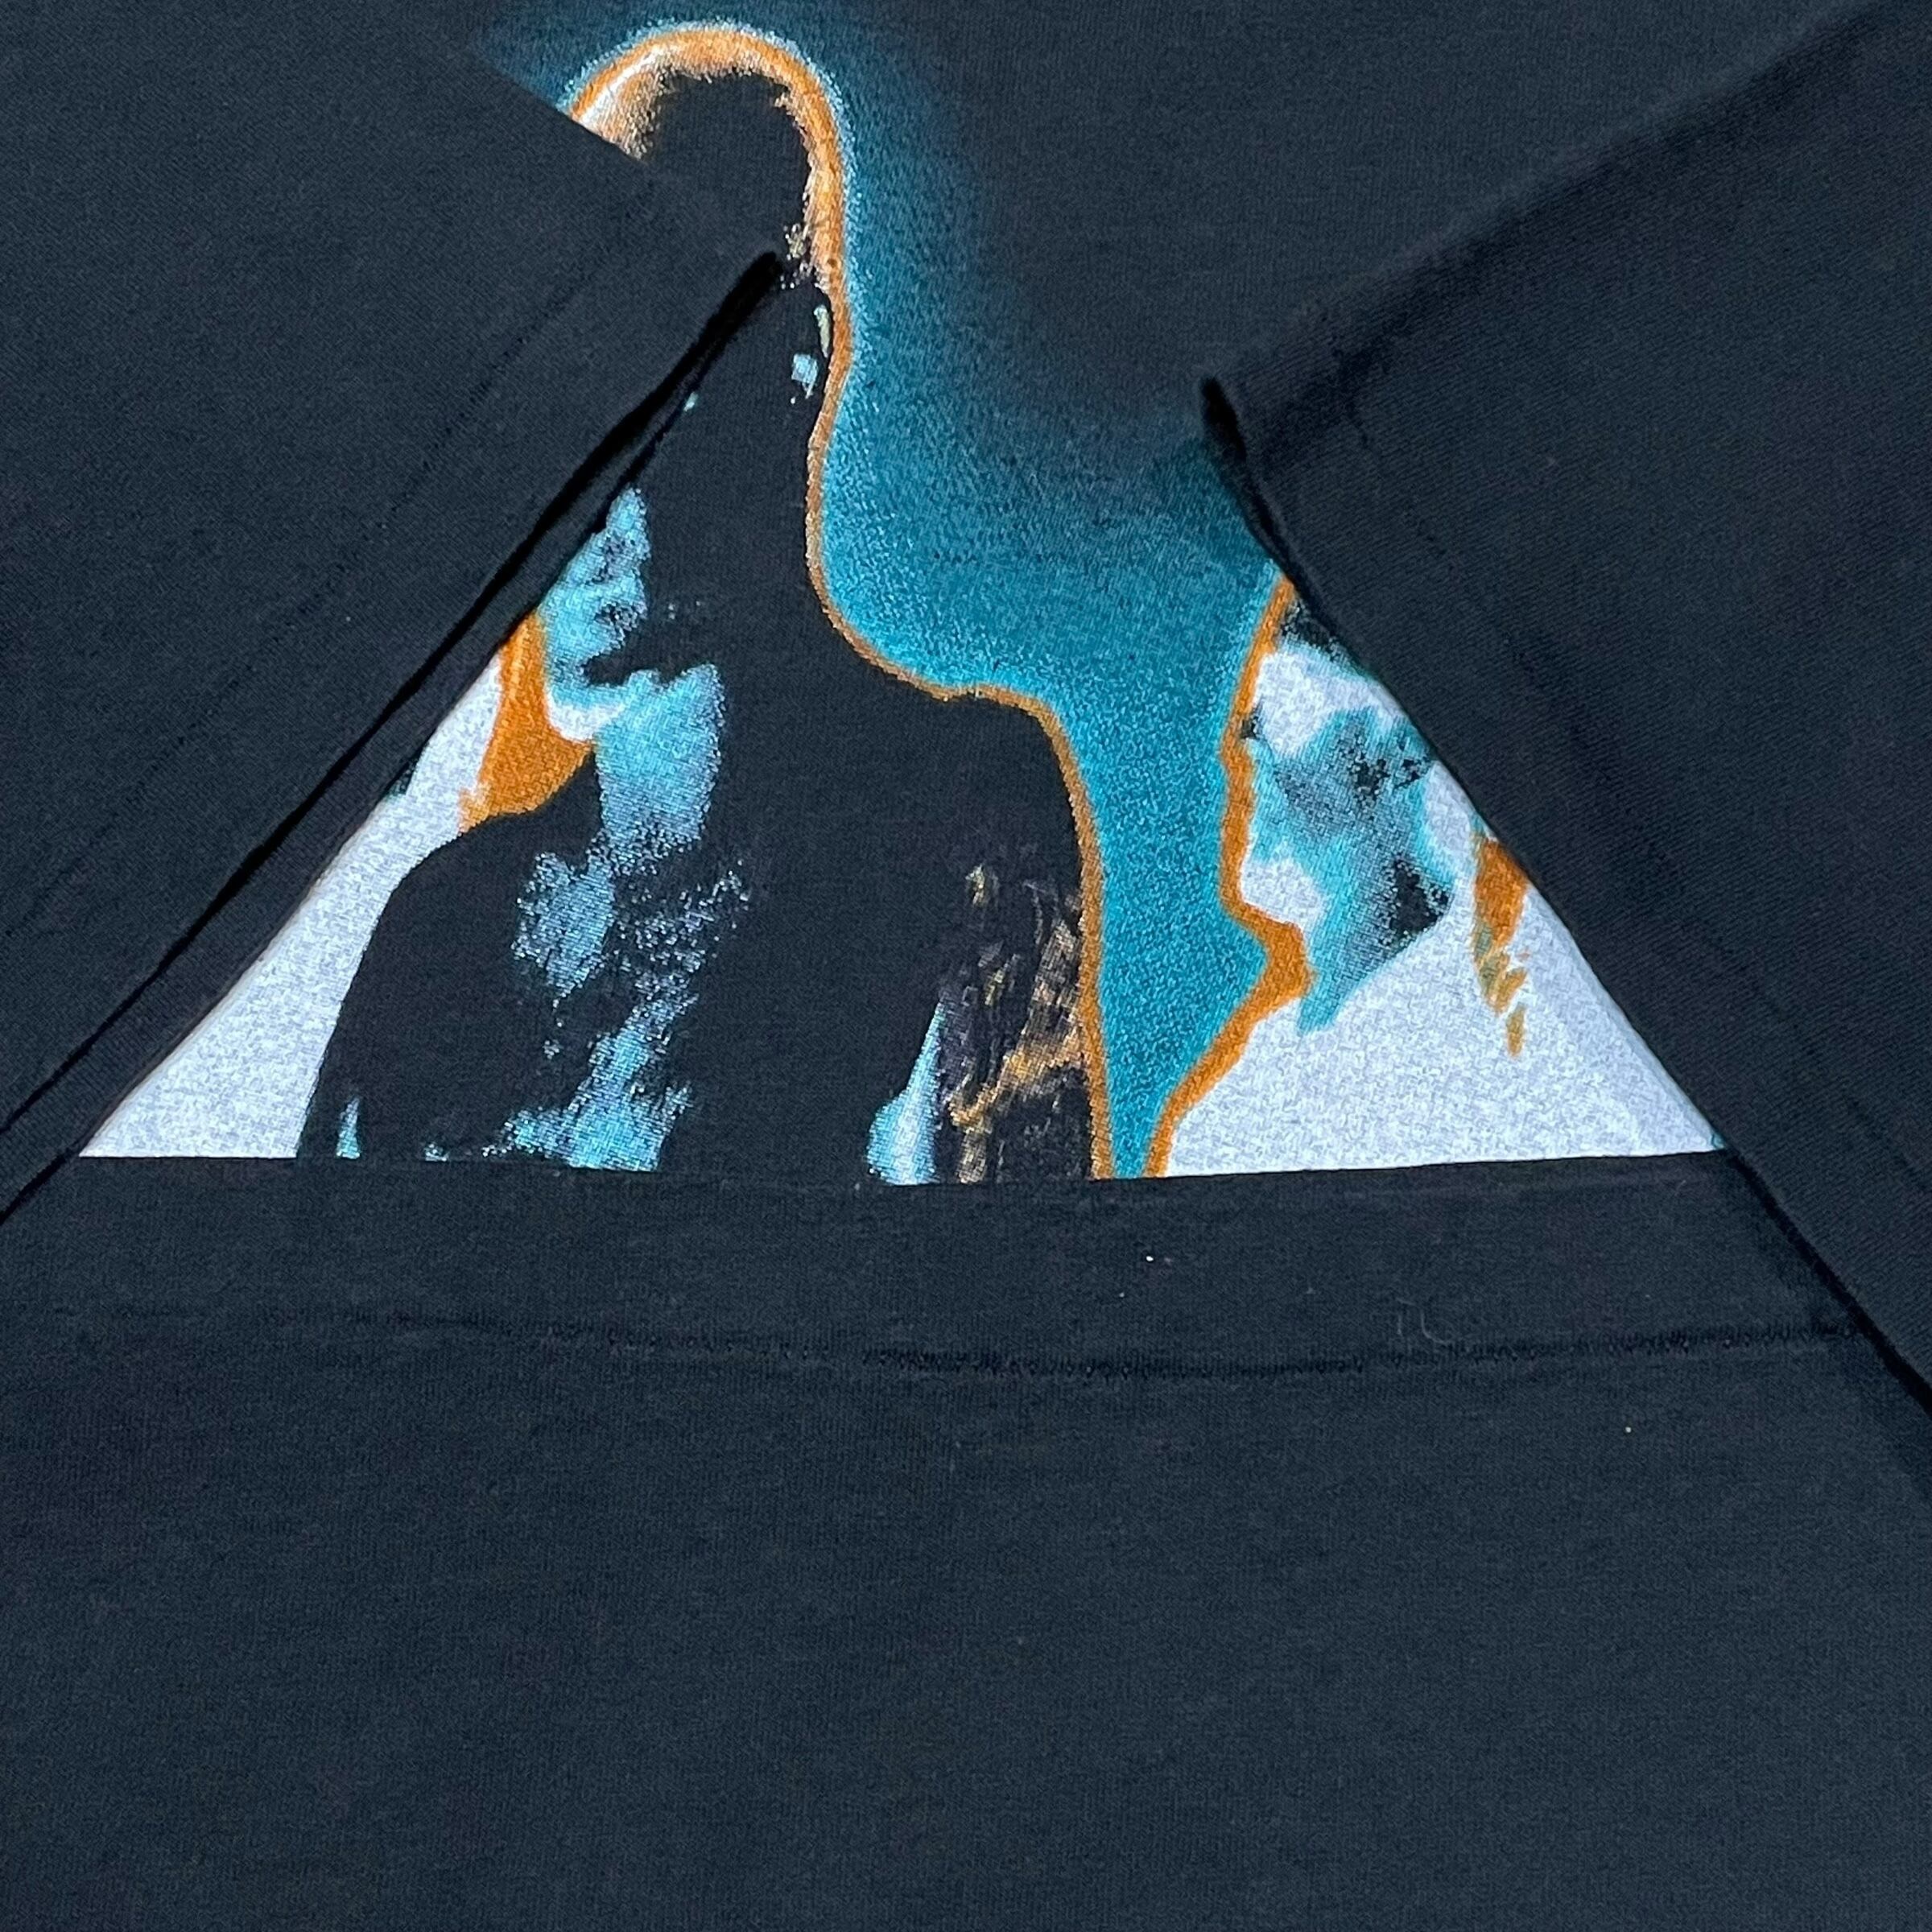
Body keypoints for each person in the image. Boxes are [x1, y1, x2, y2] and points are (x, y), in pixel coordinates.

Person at [299, 31, 1100, 1181]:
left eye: (637, 374)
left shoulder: (952, 817)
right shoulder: (447, 925)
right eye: (546, 394)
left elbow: (1006, 1282)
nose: (574, 484)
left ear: (795, 360)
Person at [1152, 583, 1713, 1173]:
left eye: (1268, 740)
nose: (1249, 773)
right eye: (1250, 733)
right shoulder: (1260, 1076)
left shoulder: (1537, 1032)